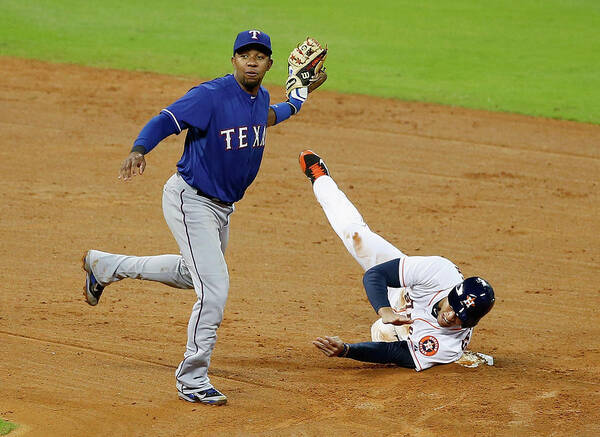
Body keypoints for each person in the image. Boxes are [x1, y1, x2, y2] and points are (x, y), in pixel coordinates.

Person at [81, 30, 327, 406]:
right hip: (190, 200)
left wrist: (301, 93)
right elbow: (166, 119)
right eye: (244, 54)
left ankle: (105, 266)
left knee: (188, 273)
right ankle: (192, 377)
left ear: (269, 65)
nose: (251, 61)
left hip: (221, 208)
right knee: (214, 291)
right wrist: (139, 149)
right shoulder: (211, 96)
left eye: (259, 56)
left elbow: (274, 115)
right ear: (233, 60)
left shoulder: (258, 98)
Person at [298, 150, 495, 371]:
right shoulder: (441, 273)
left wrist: (347, 350)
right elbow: (376, 275)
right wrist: (385, 310)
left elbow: (397, 353)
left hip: (409, 333)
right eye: (453, 308)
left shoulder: (447, 343)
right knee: (356, 236)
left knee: (382, 332)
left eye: (461, 318)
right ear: (452, 293)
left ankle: (440, 356)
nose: (451, 318)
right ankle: (320, 179)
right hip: (404, 289)